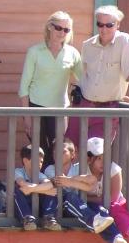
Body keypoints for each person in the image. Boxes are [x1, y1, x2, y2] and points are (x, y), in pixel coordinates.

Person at [65, 5, 129, 148]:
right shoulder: (87, 45)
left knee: (95, 154)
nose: (104, 29)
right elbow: (83, 75)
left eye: (109, 25)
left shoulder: (124, 41)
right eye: (100, 24)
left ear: (118, 25)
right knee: (69, 149)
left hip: (106, 111)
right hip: (82, 105)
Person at [19, 11, 82, 168]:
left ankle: (55, 189)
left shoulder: (73, 53)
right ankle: (39, 189)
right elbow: (23, 87)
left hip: (59, 109)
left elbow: (86, 80)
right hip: (35, 107)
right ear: (49, 27)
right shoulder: (35, 51)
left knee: (58, 150)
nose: (62, 32)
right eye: (58, 28)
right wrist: (27, 117)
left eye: (66, 30)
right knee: (38, 152)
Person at [44, 139, 128, 243]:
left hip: (78, 205)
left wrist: (70, 181)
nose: (57, 155)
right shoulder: (50, 169)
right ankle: (96, 223)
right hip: (61, 206)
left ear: (73, 154)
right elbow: (58, 182)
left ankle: (116, 238)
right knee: (70, 197)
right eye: (55, 152)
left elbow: (91, 181)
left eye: (62, 152)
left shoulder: (78, 168)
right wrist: (77, 182)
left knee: (101, 212)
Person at [14, 145, 61, 231]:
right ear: (25, 161)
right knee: (16, 191)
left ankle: (48, 218)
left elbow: (51, 185)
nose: (39, 164)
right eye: (37, 161)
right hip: (22, 207)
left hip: (37, 206)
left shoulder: (40, 175)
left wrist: (32, 189)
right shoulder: (18, 172)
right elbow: (23, 185)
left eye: (41, 162)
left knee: (53, 191)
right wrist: (44, 191)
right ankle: (27, 219)